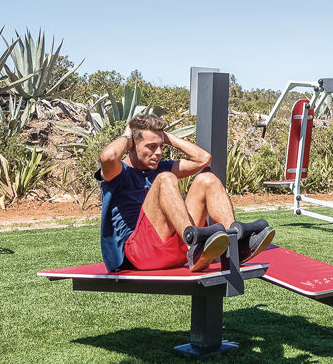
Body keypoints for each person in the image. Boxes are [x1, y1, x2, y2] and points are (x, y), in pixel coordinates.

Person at [97, 113, 275, 272]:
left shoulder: (160, 166)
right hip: (139, 253)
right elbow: (108, 156)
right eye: (151, 146)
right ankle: (195, 247)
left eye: (161, 146)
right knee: (165, 179)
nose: (158, 152)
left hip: (176, 247)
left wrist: (165, 136)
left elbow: (203, 159)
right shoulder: (117, 172)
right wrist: (127, 135)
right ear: (131, 146)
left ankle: (235, 247)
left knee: (207, 179)